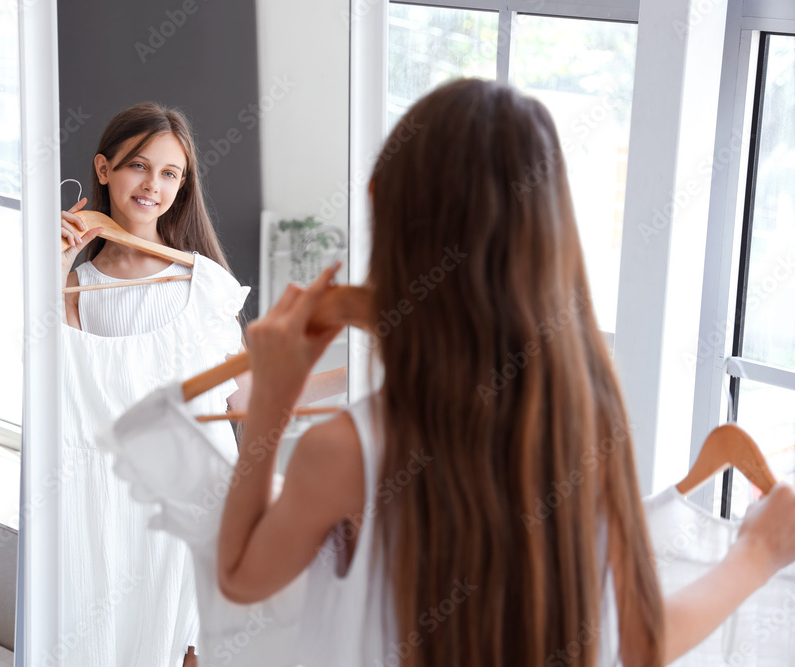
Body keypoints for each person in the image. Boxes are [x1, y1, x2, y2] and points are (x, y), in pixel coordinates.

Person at [215, 78, 795, 666]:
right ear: (550, 232)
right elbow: (643, 640)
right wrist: (759, 551)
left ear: (377, 202)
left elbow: (240, 577)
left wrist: (274, 397)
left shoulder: (347, 450)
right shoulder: (589, 411)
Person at [59, 102, 344, 666]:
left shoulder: (207, 286)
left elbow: (243, 400)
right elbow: (59, 383)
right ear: (102, 168)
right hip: (107, 513)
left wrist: (359, 372)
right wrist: (54, 264)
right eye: (138, 166)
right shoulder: (72, 287)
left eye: (171, 174)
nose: (153, 186)